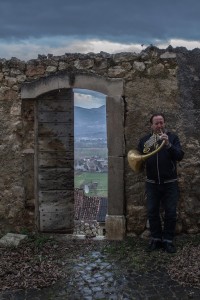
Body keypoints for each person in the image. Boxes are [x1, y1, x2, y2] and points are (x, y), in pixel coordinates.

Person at [137, 113, 184, 253]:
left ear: (164, 123)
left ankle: (168, 240)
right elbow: (139, 157)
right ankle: (156, 239)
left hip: (170, 182)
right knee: (152, 212)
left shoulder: (173, 138)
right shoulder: (145, 140)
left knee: (170, 212)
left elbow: (180, 155)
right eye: (156, 123)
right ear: (151, 125)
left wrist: (168, 144)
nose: (159, 126)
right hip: (152, 182)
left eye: (161, 123)